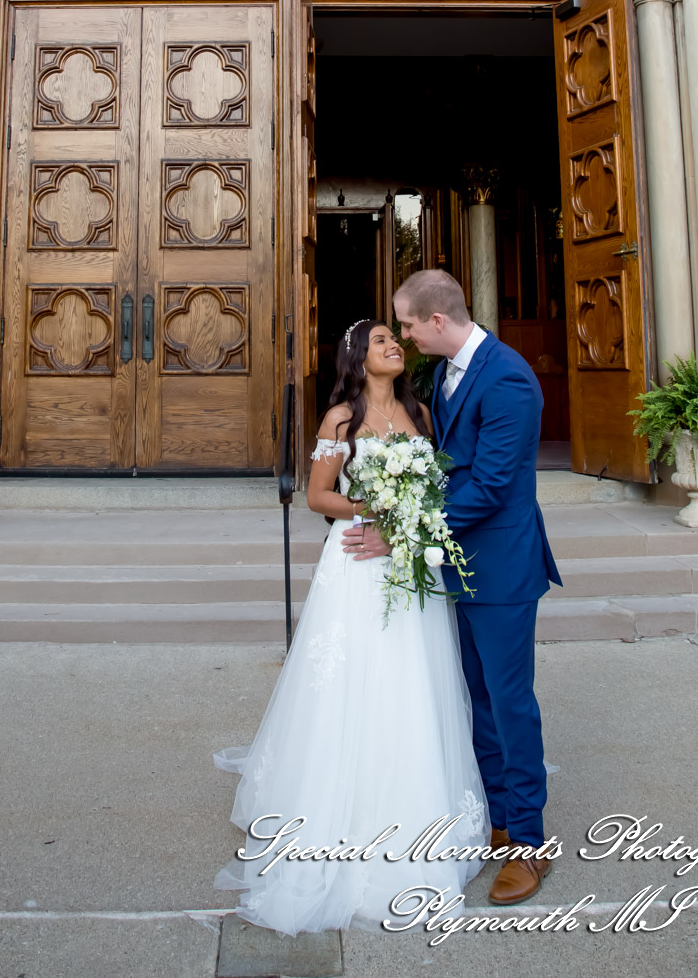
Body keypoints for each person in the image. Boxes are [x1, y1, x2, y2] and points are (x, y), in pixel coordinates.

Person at [212, 318, 491, 936]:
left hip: (408, 556)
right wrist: (378, 507)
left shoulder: (421, 411)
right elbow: (316, 494)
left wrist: (412, 518)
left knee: (412, 680)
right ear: (360, 357)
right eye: (384, 341)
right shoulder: (340, 418)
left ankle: (416, 802)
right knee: (352, 680)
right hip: (359, 555)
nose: (396, 346)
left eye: (398, 338)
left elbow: (439, 482)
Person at [364, 267, 563, 906]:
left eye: (410, 324)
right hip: (459, 564)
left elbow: (492, 485)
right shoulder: (444, 374)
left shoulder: (507, 378)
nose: (405, 336)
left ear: (439, 321)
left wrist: (405, 531)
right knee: (475, 696)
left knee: (510, 702)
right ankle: (499, 818)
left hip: (502, 567)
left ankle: (531, 845)